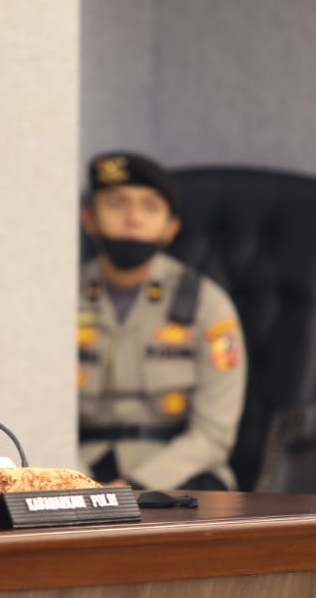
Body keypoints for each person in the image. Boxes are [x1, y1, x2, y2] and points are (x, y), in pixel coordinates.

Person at [78, 151, 247, 491]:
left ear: (172, 228)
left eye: (150, 207)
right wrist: (74, 481)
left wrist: (138, 485)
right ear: (89, 219)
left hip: (178, 471)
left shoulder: (206, 305)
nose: (133, 218)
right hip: (79, 465)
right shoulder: (60, 300)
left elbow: (213, 434)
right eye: (116, 204)